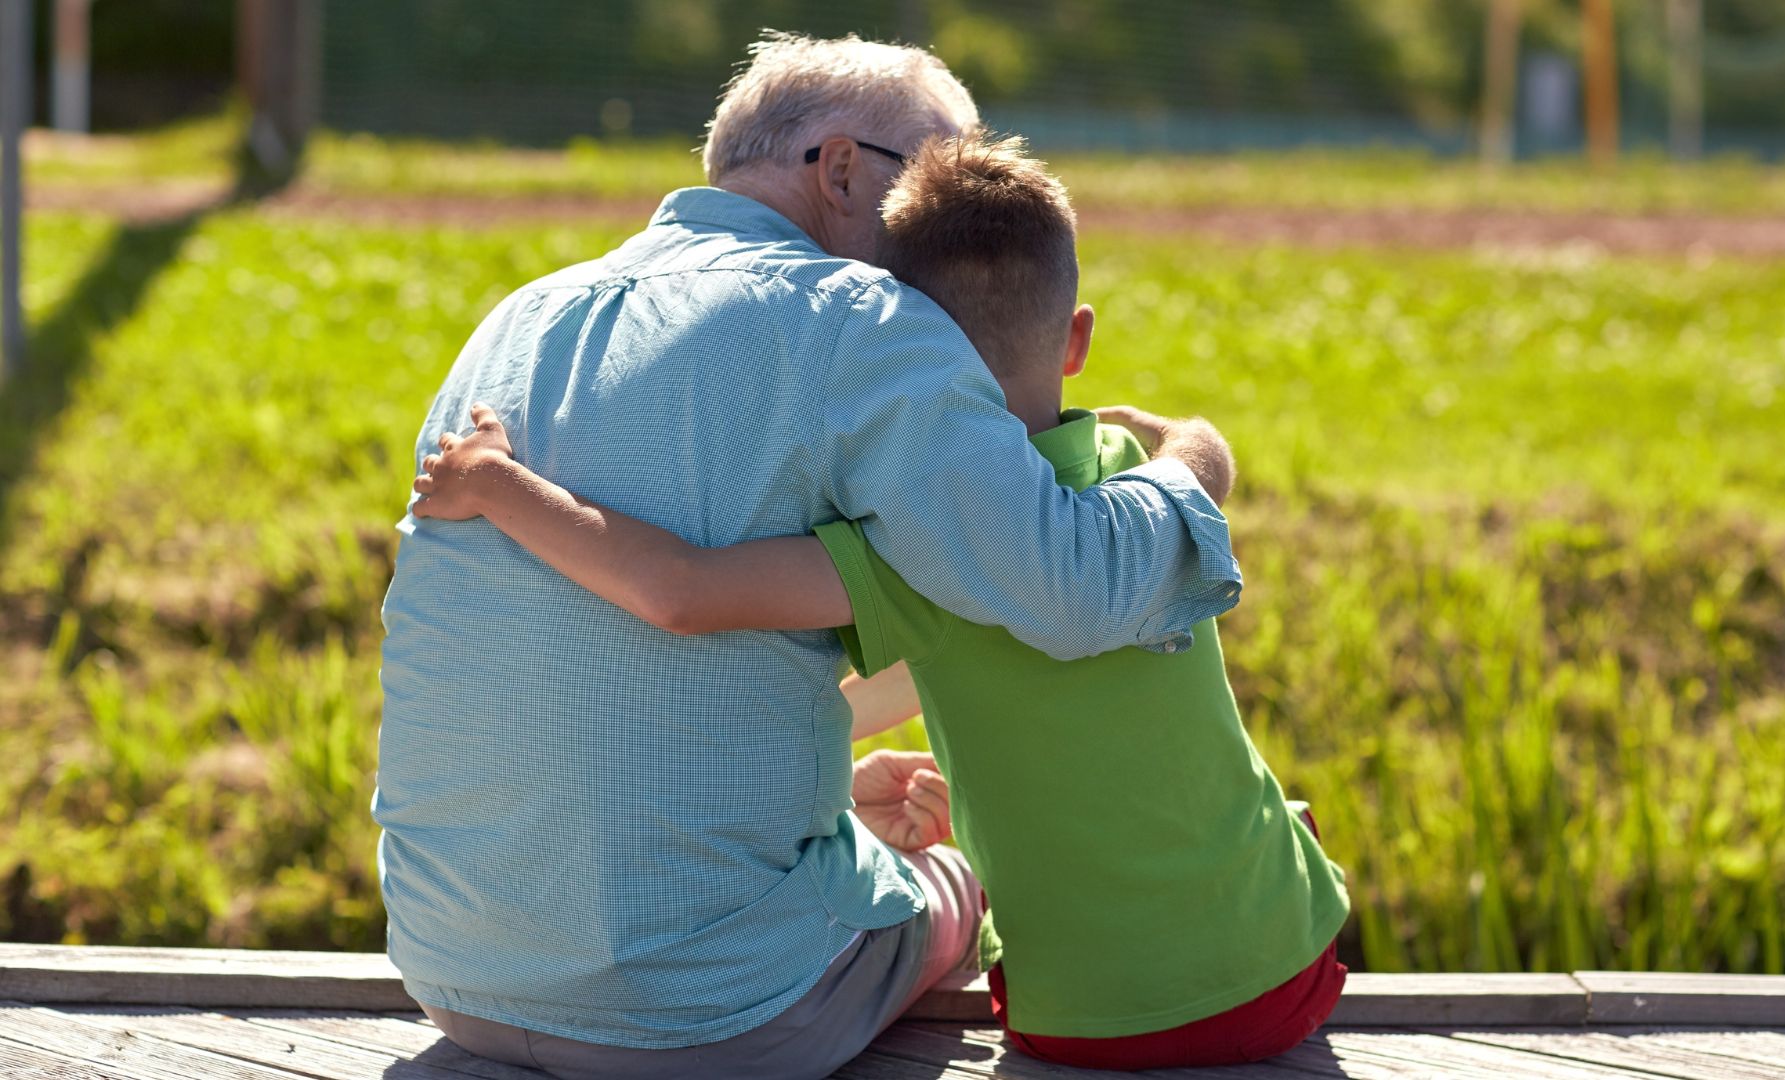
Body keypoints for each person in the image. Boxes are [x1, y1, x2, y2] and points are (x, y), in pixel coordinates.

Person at [377, 32, 1241, 1080]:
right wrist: (1193, 464)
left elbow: (608, 659)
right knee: (958, 884)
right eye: (932, 182)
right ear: (840, 170)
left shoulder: (517, 319)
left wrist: (826, 786)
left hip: (454, 972)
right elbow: (1071, 584)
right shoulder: (864, 317)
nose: (943, 235)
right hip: (708, 1015)